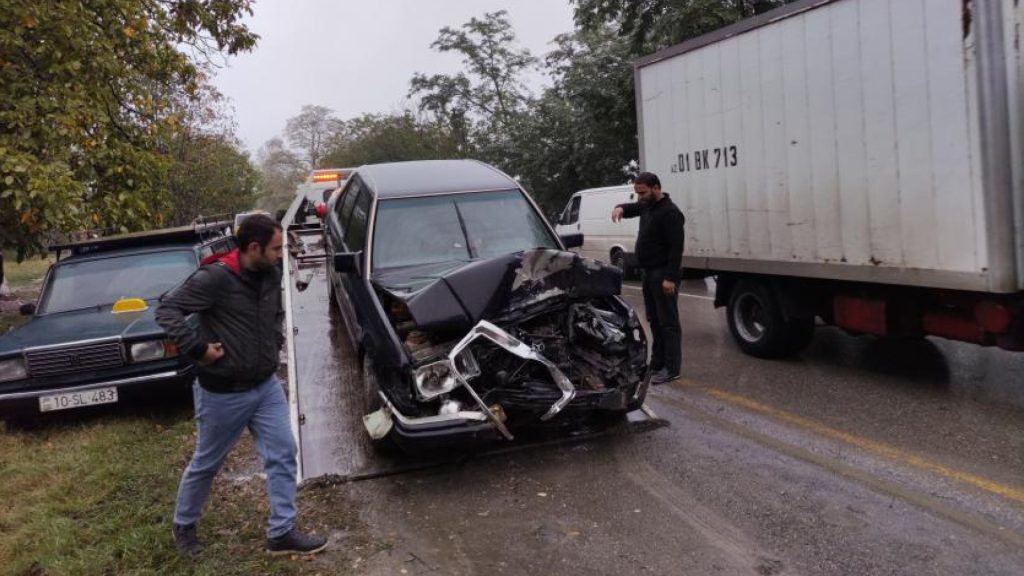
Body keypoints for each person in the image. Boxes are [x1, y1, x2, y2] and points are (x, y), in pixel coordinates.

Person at [156, 214, 327, 557]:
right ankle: (184, 526)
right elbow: (167, 309)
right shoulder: (216, 278)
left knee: (282, 453)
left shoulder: (271, 271)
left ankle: (281, 531)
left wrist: (275, 339)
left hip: (265, 387)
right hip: (222, 391)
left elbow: (276, 312)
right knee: (207, 462)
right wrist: (198, 349)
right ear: (254, 247)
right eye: (276, 248)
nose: (282, 254)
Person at [611, 172, 686, 384]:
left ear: (655, 187)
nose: (639, 197)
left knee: (668, 322)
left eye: (642, 192)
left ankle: (672, 368)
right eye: (637, 193)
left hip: (663, 273)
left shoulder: (670, 213)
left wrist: (670, 278)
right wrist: (621, 208)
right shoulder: (647, 205)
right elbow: (633, 208)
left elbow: (676, 249)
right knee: (654, 320)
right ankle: (657, 362)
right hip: (648, 272)